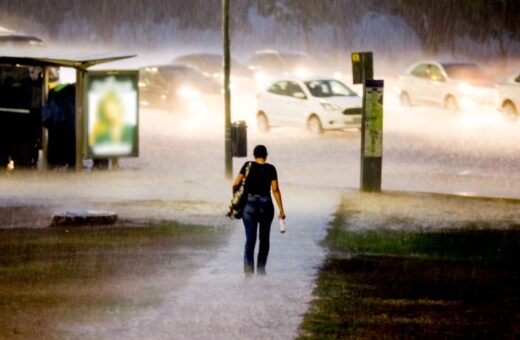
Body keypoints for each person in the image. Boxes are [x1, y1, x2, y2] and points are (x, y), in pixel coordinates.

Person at [232, 145, 285, 276]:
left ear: (254, 155)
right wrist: (281, 209)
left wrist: (236, 201)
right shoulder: (271, 168)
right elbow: (275, 190)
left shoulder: (247, 165)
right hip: (266, 204)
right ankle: (261, 270)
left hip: (249, 204)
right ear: (266, 155)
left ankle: (249, 271)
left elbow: (235, 184)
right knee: (264, 238)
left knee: (250, 239)